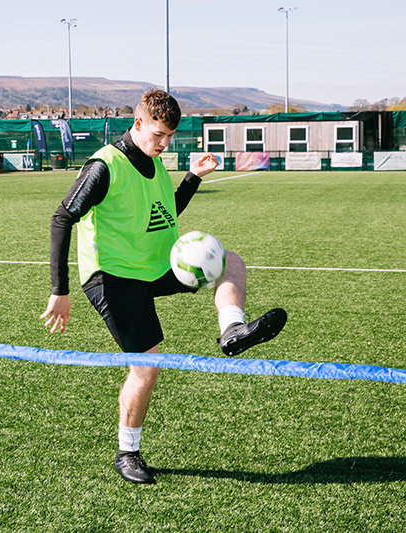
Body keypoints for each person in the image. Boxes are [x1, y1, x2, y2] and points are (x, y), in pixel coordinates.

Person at [40, 89, 286, 485]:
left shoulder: (154, 164)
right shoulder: (105, 165)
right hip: (114, 278)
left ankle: (232, 330)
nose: (164, 143)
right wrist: (60, 290)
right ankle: (127, 452)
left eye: (169, 136)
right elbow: (62, 217)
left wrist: (192, 178)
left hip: (154, 266)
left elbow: (164, 212)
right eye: (158, 135)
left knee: (230, 261)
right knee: (148, 364)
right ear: (137, 123)